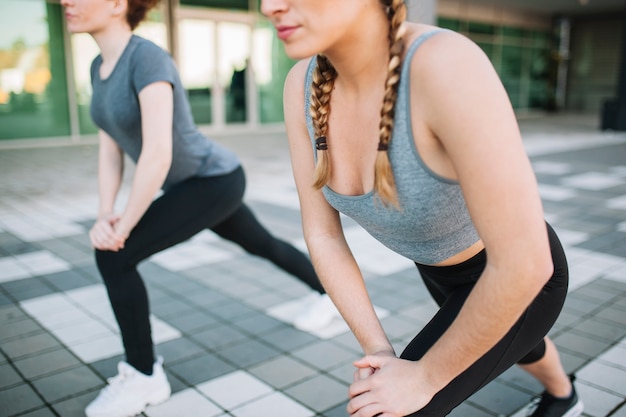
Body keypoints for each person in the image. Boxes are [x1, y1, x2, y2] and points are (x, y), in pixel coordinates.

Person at [261, 0, 584, 416]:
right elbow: (323, 234)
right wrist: (378, 352)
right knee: (521, 345)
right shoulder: (300, 85)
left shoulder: (444, 65)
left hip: (517, 278)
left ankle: (562, 395)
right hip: (437, 272)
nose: (271, 5)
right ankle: (564, 394)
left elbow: (525, 263)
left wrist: (424, 377)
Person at [59, 0, 339, 416]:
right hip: (190, 186)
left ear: (118, 4)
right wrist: (106, 212)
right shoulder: (98, 68)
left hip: (214, 181)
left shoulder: (147, 58)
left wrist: (122, 228)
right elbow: (110, 148)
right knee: (259, 242)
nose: (67, 1)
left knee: (113, 256)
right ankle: (327, 291)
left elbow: (156, 153)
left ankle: (144, 376)